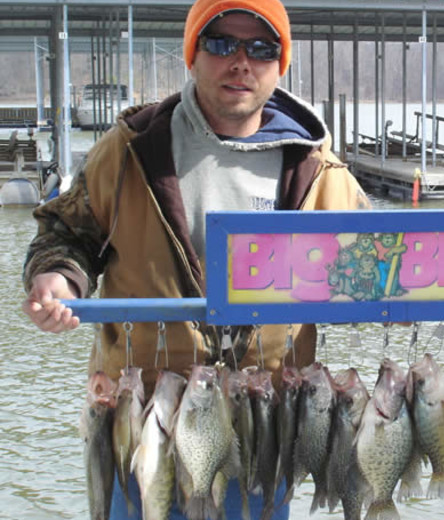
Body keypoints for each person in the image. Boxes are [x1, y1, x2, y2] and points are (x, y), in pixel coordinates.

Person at [21, 0, 370, 518]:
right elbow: (66, 230)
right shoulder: (132, 148)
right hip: (146, 422)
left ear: (281, 62)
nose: (241, 61)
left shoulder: (320, 169)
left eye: (261, 48)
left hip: (261, 429)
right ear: (192, 53)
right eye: (221, 43)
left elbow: (378, 268)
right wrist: (58, 278)